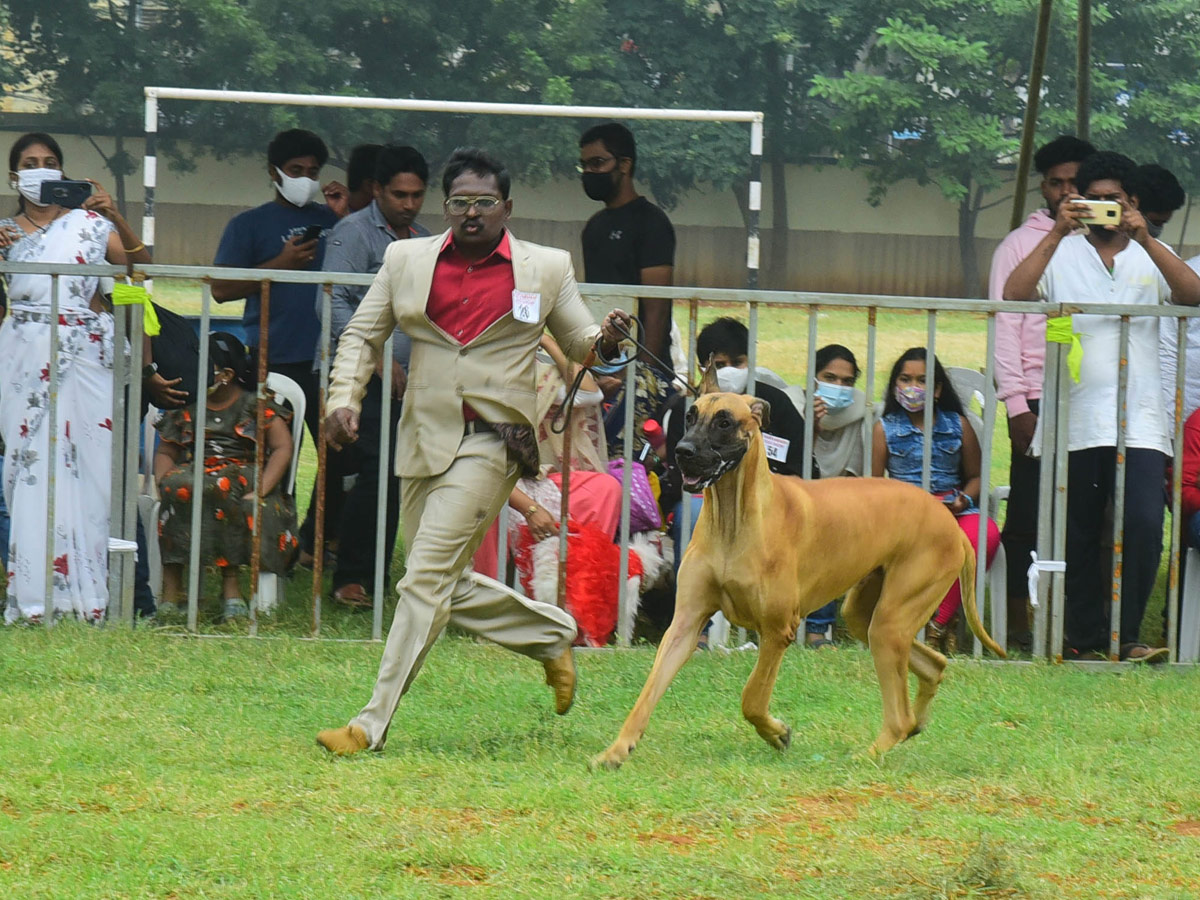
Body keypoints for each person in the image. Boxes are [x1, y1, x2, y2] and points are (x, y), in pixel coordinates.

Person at [314, 148, 631, 756]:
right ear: (446, 207)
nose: (472, 213)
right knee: (437, 583)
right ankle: (553, 633)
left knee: (426, 577)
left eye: (485, 202)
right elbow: (363, 332)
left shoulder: (545, 268)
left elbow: (583, 341)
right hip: (422, 435)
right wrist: (343, 399)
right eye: (460, 202)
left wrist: (609, 338)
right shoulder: (406, 259)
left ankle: (369, 725)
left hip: (495, 439)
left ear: (507, 208)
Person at [1004, 150, 1200, 661]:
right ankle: (1085, 639)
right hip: (1076, 418)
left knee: (1141, 524)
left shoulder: (1149, 255)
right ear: (1077, 201)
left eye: (1115, 200)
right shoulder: (1061, 252)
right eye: (1094, 200)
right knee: (1079, 531)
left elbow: (1192, 295)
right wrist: (1055, 232)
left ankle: (1126, 634)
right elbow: (1016, 293)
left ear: (1133, 203)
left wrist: (1147, 238)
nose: (1105, 209)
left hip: (1141, 420)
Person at [0, 132, 128, 623]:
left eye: (50, 161)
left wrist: (113, 213)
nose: (40, 168)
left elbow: (136, 264)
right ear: (15, 176)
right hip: (24, 359)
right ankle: (34, 598)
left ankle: (87, 599)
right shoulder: (7, 232)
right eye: (30, 162)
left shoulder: (90, 224)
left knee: (88, 477)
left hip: (85, 358)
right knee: (29, 470)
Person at [211, 128, 341, 568]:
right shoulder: (247, 225)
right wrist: (279, 267)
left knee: (339, 458)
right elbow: (223, 288)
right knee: (274, 460)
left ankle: (312, 544)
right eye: (296, 171)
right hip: (270, 359)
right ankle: (267, 550)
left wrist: (346, 215)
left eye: (312, 172)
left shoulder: (335, 220)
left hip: (330, 361)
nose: (305, 179)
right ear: (274, 173)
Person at [990, 135, 1094, 652]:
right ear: (1044, 186)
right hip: (1034, 398)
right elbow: (1004, 326)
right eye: (1057, 183)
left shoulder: (1105, 244)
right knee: (1028, 513)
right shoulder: (1018, 244)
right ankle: (1016, 622)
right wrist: (1015, 404)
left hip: (1093, 400)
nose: (1067, 192)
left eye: (1076, 182)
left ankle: (1078, 624)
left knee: (1086, 513)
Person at [322, 144, 430, 609]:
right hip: (358, 380)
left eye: (417, 195)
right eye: (400, 194)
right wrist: (381, 361)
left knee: (398, 473)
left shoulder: (425, 241)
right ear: (377, 190)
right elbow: (330, 302)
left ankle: (378, 576)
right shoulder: (353, 233)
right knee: (378, 469)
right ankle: (351, 577)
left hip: (410, 383)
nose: (409, 204)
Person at [154, 333, 298, 621]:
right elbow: (166, 451)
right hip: (198, 471)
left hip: (241, 473)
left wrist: (262, 490)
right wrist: (163, 480)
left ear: (226, 375)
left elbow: (282, 447)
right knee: (177, 487)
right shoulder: (190, 405)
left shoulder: (253, 404)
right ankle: (172, 588)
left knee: (219, 488)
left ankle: (230, 587)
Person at [871, 347, 1001, 653]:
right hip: (906, 517)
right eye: (905, 379)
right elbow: (875, 488)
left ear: (938, 389)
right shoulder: (884, 429)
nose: (912, 387)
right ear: (895, 386)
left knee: (985, 534)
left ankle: (938, 622)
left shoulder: (959, 425)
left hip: (952, 509)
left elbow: (977, 476)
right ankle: (914, 622)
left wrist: (961, 500)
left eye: (923, 380)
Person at [472, 333, 621, 581]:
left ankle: (578, 589)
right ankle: (489, 600)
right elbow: (478, 464)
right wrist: (530, 509)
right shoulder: (475, 374)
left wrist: (548, 342)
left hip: (534, 478)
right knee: (483, 499)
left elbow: (589, 394)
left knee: (606, 489)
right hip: (488, 481)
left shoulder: (538, 376)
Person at [577, 123, 679, 458]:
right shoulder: (593, 228)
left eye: (598, 163)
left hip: (644, 376)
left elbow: (656, 307)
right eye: (585, 165)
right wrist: (593, 369)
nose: (590, 172)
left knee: (637, 474)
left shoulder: (652, 223)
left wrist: (637, 374)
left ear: (625, 164)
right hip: (599, 370)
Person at [804, 343, 871, 648]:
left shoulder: (862, 413)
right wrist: (812, 426)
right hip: (796, 497)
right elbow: (795, 465)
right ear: (814, 377)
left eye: (847, 382)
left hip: (841, 501)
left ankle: (818, 629)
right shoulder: (795, 405)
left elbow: (854, 475)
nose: (838, 387)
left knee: (828, 527)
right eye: (829, 378)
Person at [1131, 163, 1186, 239]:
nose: (1158, 230)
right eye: (1155, 223)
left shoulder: (1160, 249)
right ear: (1133, 204)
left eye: (1162, 223)